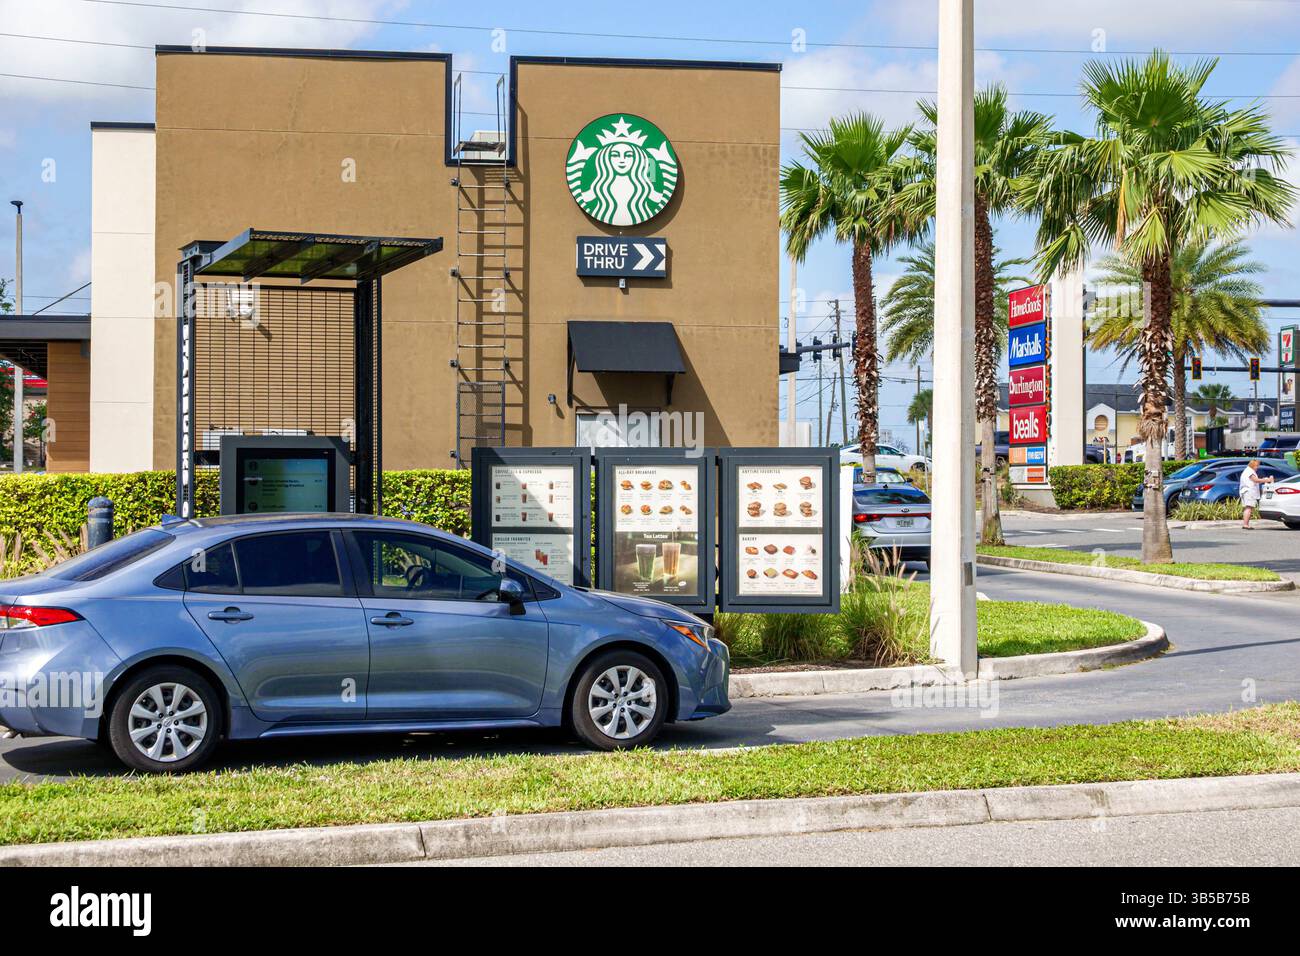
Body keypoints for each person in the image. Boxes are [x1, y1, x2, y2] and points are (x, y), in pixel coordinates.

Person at [1239, 459, 1274, 529]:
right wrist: (1267, 480)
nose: (1257, 467)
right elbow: (1256, 480)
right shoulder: (1249, 471)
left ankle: (1245, 524)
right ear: (1253, 465)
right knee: (1249, 507)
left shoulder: (1248, 470)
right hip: (1248, 491)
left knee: (1248, 508)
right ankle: (1245, 524)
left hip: (1246, 491)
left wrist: (1264, 479)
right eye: (1257, 466)